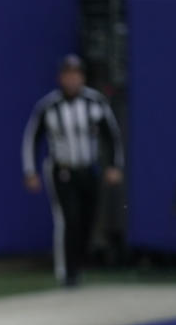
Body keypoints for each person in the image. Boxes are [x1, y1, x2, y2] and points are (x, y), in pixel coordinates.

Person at [21, 54, 124, 286]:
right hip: (62, 171)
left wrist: (114, 166)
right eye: (67, 75)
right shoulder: (49, 106)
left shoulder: (95, 102)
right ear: (61, 78)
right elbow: (32, 138)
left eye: (76, 75)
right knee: (70, 218)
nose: (71, 80)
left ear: (83, 78)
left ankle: (79, 263)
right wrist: (30, 171)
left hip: (89, 169)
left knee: (88, 218)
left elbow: (112, 135)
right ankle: (68, 272)